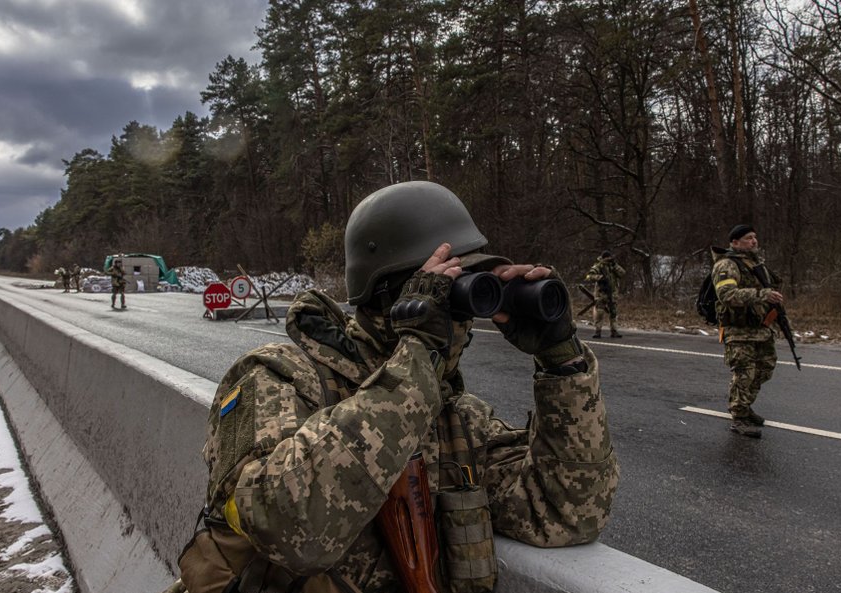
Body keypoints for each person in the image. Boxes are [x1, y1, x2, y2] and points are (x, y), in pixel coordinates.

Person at [169, 181, 619, 593]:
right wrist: (417, 356)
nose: (462, 316)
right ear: (387, 295)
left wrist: (563, 362)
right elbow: (287, 528)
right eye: (450, 289)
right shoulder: (280, 377)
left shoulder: (455, 418)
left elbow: (564, 514)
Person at [711, 224, 784, 438]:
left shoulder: (754, 264)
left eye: (755, 237)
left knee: (764, 369)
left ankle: (745, 406)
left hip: (760, 329)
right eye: (748, 238)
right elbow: (726, 294)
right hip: (738, 330)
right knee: (744, 373)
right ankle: (739, 417)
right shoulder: (726, 264)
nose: (754, 241)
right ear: (734, 243)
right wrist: (762, 294)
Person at [584, 250, 625, 338]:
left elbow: (622, 273)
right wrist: (600, 278)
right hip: (601, 294)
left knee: (613, 313)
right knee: (600, 313)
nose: (609, 260)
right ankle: (598, 331)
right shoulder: (598, 266)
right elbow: (588, 276)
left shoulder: (613, 266)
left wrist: (614, 265)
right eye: (607, 258)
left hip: (612, 293)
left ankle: (614, 331)